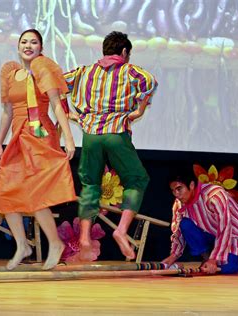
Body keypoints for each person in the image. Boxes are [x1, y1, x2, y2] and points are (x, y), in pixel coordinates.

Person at [63, 31, 158, 260]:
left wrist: (71, 114)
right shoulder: (129, 70)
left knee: (90, 184)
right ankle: (121, 230)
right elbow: (150, 81)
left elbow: (56, 84)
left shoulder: (84, 71)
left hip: (91, 135)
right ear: (124, 52)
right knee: (136, 179)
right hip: (116, 133)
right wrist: (139, 110)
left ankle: (85, 236)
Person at [0, 29, 77, 270]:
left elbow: (58, 106)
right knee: (7, 193)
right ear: (18, 47)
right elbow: (7, 112)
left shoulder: (43, 69)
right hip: (18, 136)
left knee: (37, 194)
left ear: (41, 48)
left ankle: (55, 244)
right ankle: (22, 245)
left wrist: (69, 139)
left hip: (39, 136)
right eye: (24, 42)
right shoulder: (11, 74)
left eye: (34, 42)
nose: (28, 46)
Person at [162, 169, 238, 274]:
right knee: (185, 224)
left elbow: (225, 227)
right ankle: (206, 257)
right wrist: (173, 256)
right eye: (173, 190)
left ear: (192, 185)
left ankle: (212, 261)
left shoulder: (214, 194)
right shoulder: (179, 203)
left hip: (232, 234)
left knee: (229, 268)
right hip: (210, 233)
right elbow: (177, 232)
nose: (176, 194)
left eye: (179, 189)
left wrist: (214, 259)